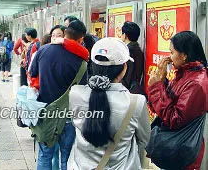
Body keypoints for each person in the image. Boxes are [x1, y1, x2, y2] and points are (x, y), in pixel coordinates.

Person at [68, 37, 150, 170]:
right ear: (124, 68)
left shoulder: (75, 94)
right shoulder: (136, 103)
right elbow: (144, 140)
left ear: (93, 66)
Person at [29, 20, 88, 170]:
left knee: (45, 156)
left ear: (65, 33)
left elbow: (33, 72)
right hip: (68, 116)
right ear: (81, 39)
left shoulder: (42, 51)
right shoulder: (81, 60)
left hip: (45, 113)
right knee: (66, 157)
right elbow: (82, 91)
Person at [148, 31, 208, 169]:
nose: (170, 57)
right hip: (173, 147)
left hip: (182, 150)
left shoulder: (196, 83)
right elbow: (166, 103)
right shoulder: (184, 74)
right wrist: (161, 81)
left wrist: (157, 87)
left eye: (172, 52)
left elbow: (175, 119)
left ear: (184, 55)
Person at [120, 22, 145, 95]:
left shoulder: (127, 51)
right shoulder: (138, 49)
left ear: (124, 35)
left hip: (128, 91)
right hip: (136, 88)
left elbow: (126, 77)